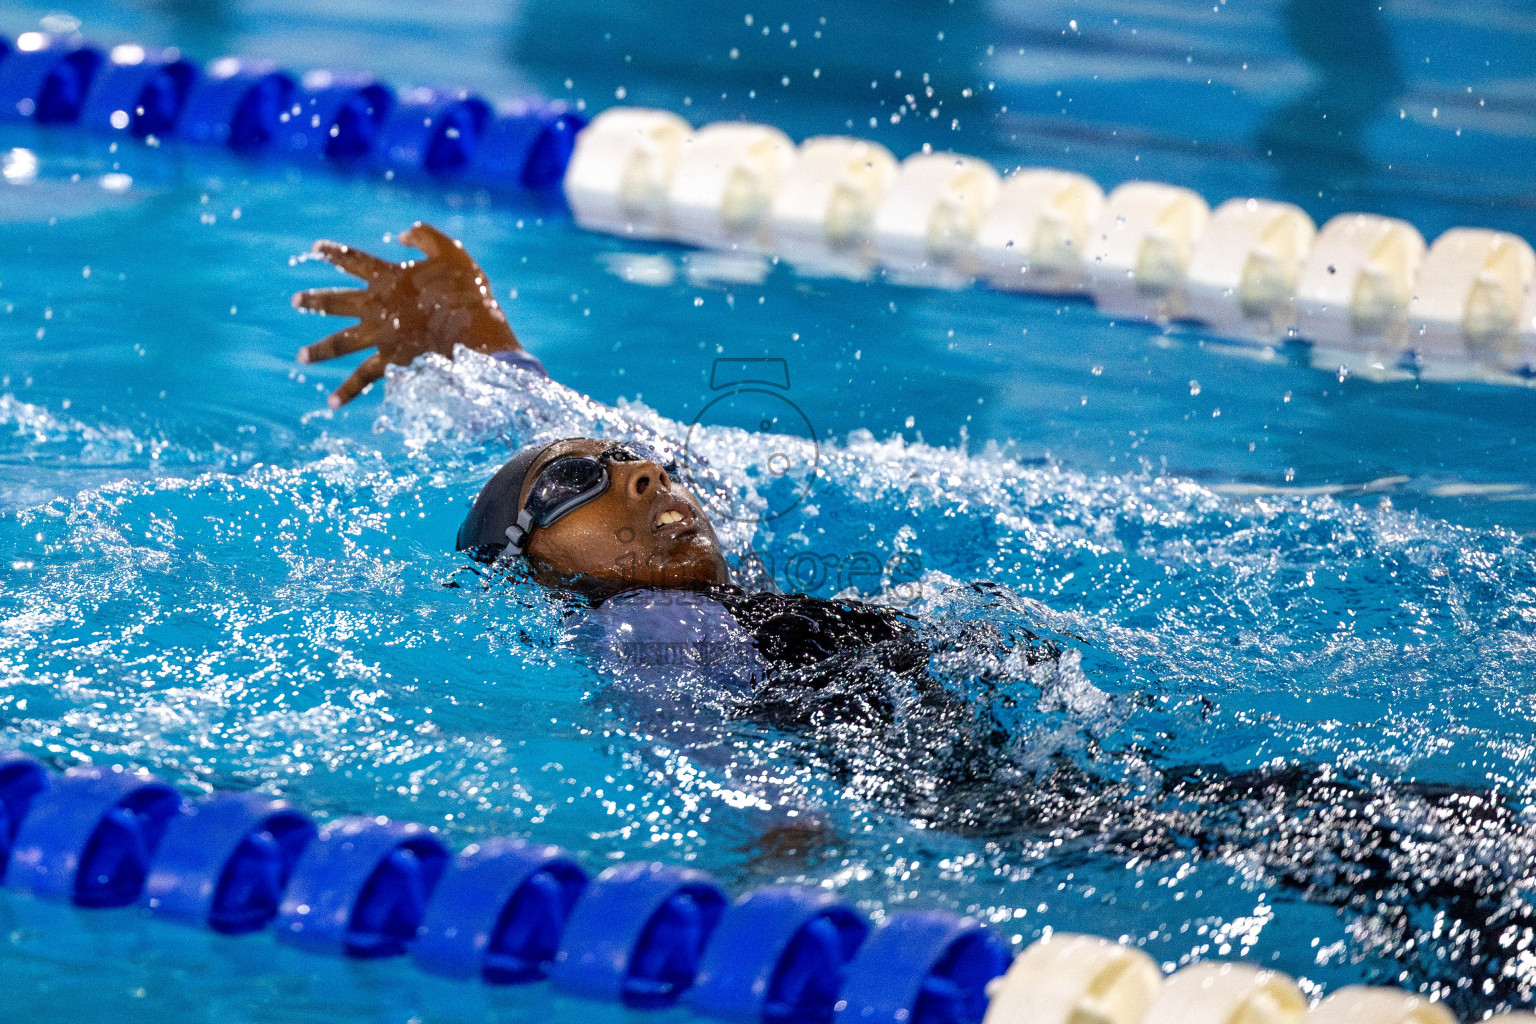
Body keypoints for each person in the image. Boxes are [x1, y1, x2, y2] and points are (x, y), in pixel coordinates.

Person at [293, 223, 1536, 1012]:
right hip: (962, 791)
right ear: (539, 568)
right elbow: (674, 730)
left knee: (1339, 828)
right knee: (1358, 834)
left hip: (989, 748)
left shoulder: (703, 575)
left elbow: (556, 443)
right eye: (582, 487)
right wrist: (771, 826)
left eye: (641, 467)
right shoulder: (644, 629)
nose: (642, 482)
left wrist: (486, 346)